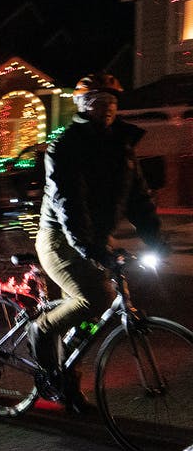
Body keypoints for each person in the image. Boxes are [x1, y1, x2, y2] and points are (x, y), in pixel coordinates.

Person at [28, 72, 168, 413]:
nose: (105, 108)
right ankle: (40, 330)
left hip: (94, 238)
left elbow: (139, 200)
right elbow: (68, 205)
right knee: (96, 297)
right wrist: (93, 250)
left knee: (97, 307)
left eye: (111, 102)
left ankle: (67, 383)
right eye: (96, 101)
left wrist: (156, 242)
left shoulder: (122, 147)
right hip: (60, 239)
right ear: (80, 104)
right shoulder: (65, 146)